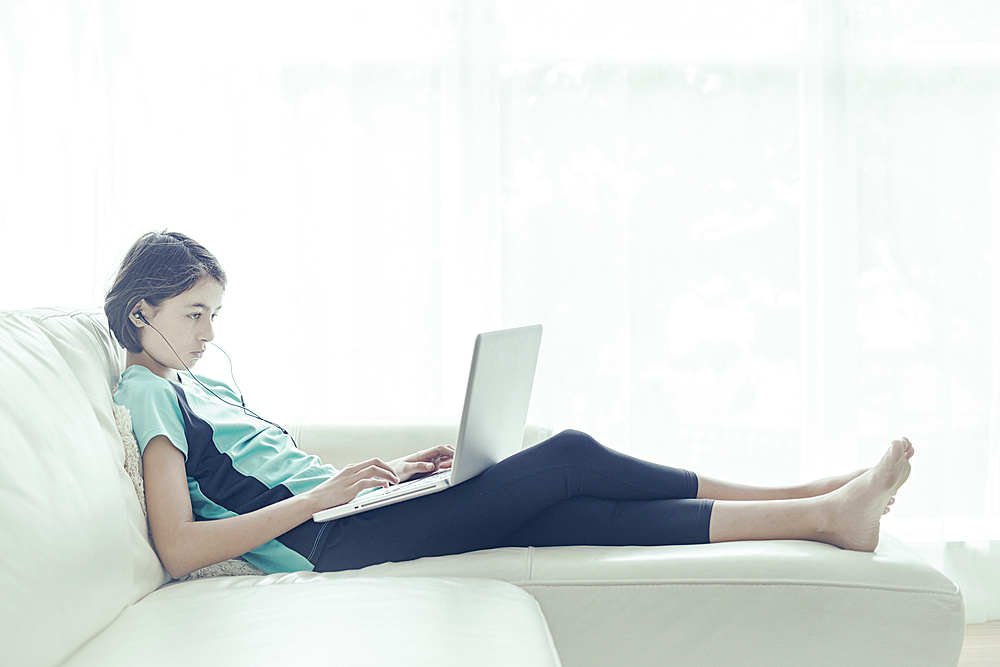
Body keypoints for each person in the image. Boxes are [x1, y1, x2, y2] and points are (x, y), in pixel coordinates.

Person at [106, 230, 914, 580]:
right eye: (194, 314)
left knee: (581, 512)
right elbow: (179, 545)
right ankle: (812, 497)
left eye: (215, 313)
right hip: (328, 546)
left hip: (354, 513)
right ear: (142, 310)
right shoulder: (149, 393)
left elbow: (262, 469)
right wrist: (327, 496)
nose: (210, 331)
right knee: (570, 455)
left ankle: (825, 517)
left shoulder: (194, 381)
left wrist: (396, 475)